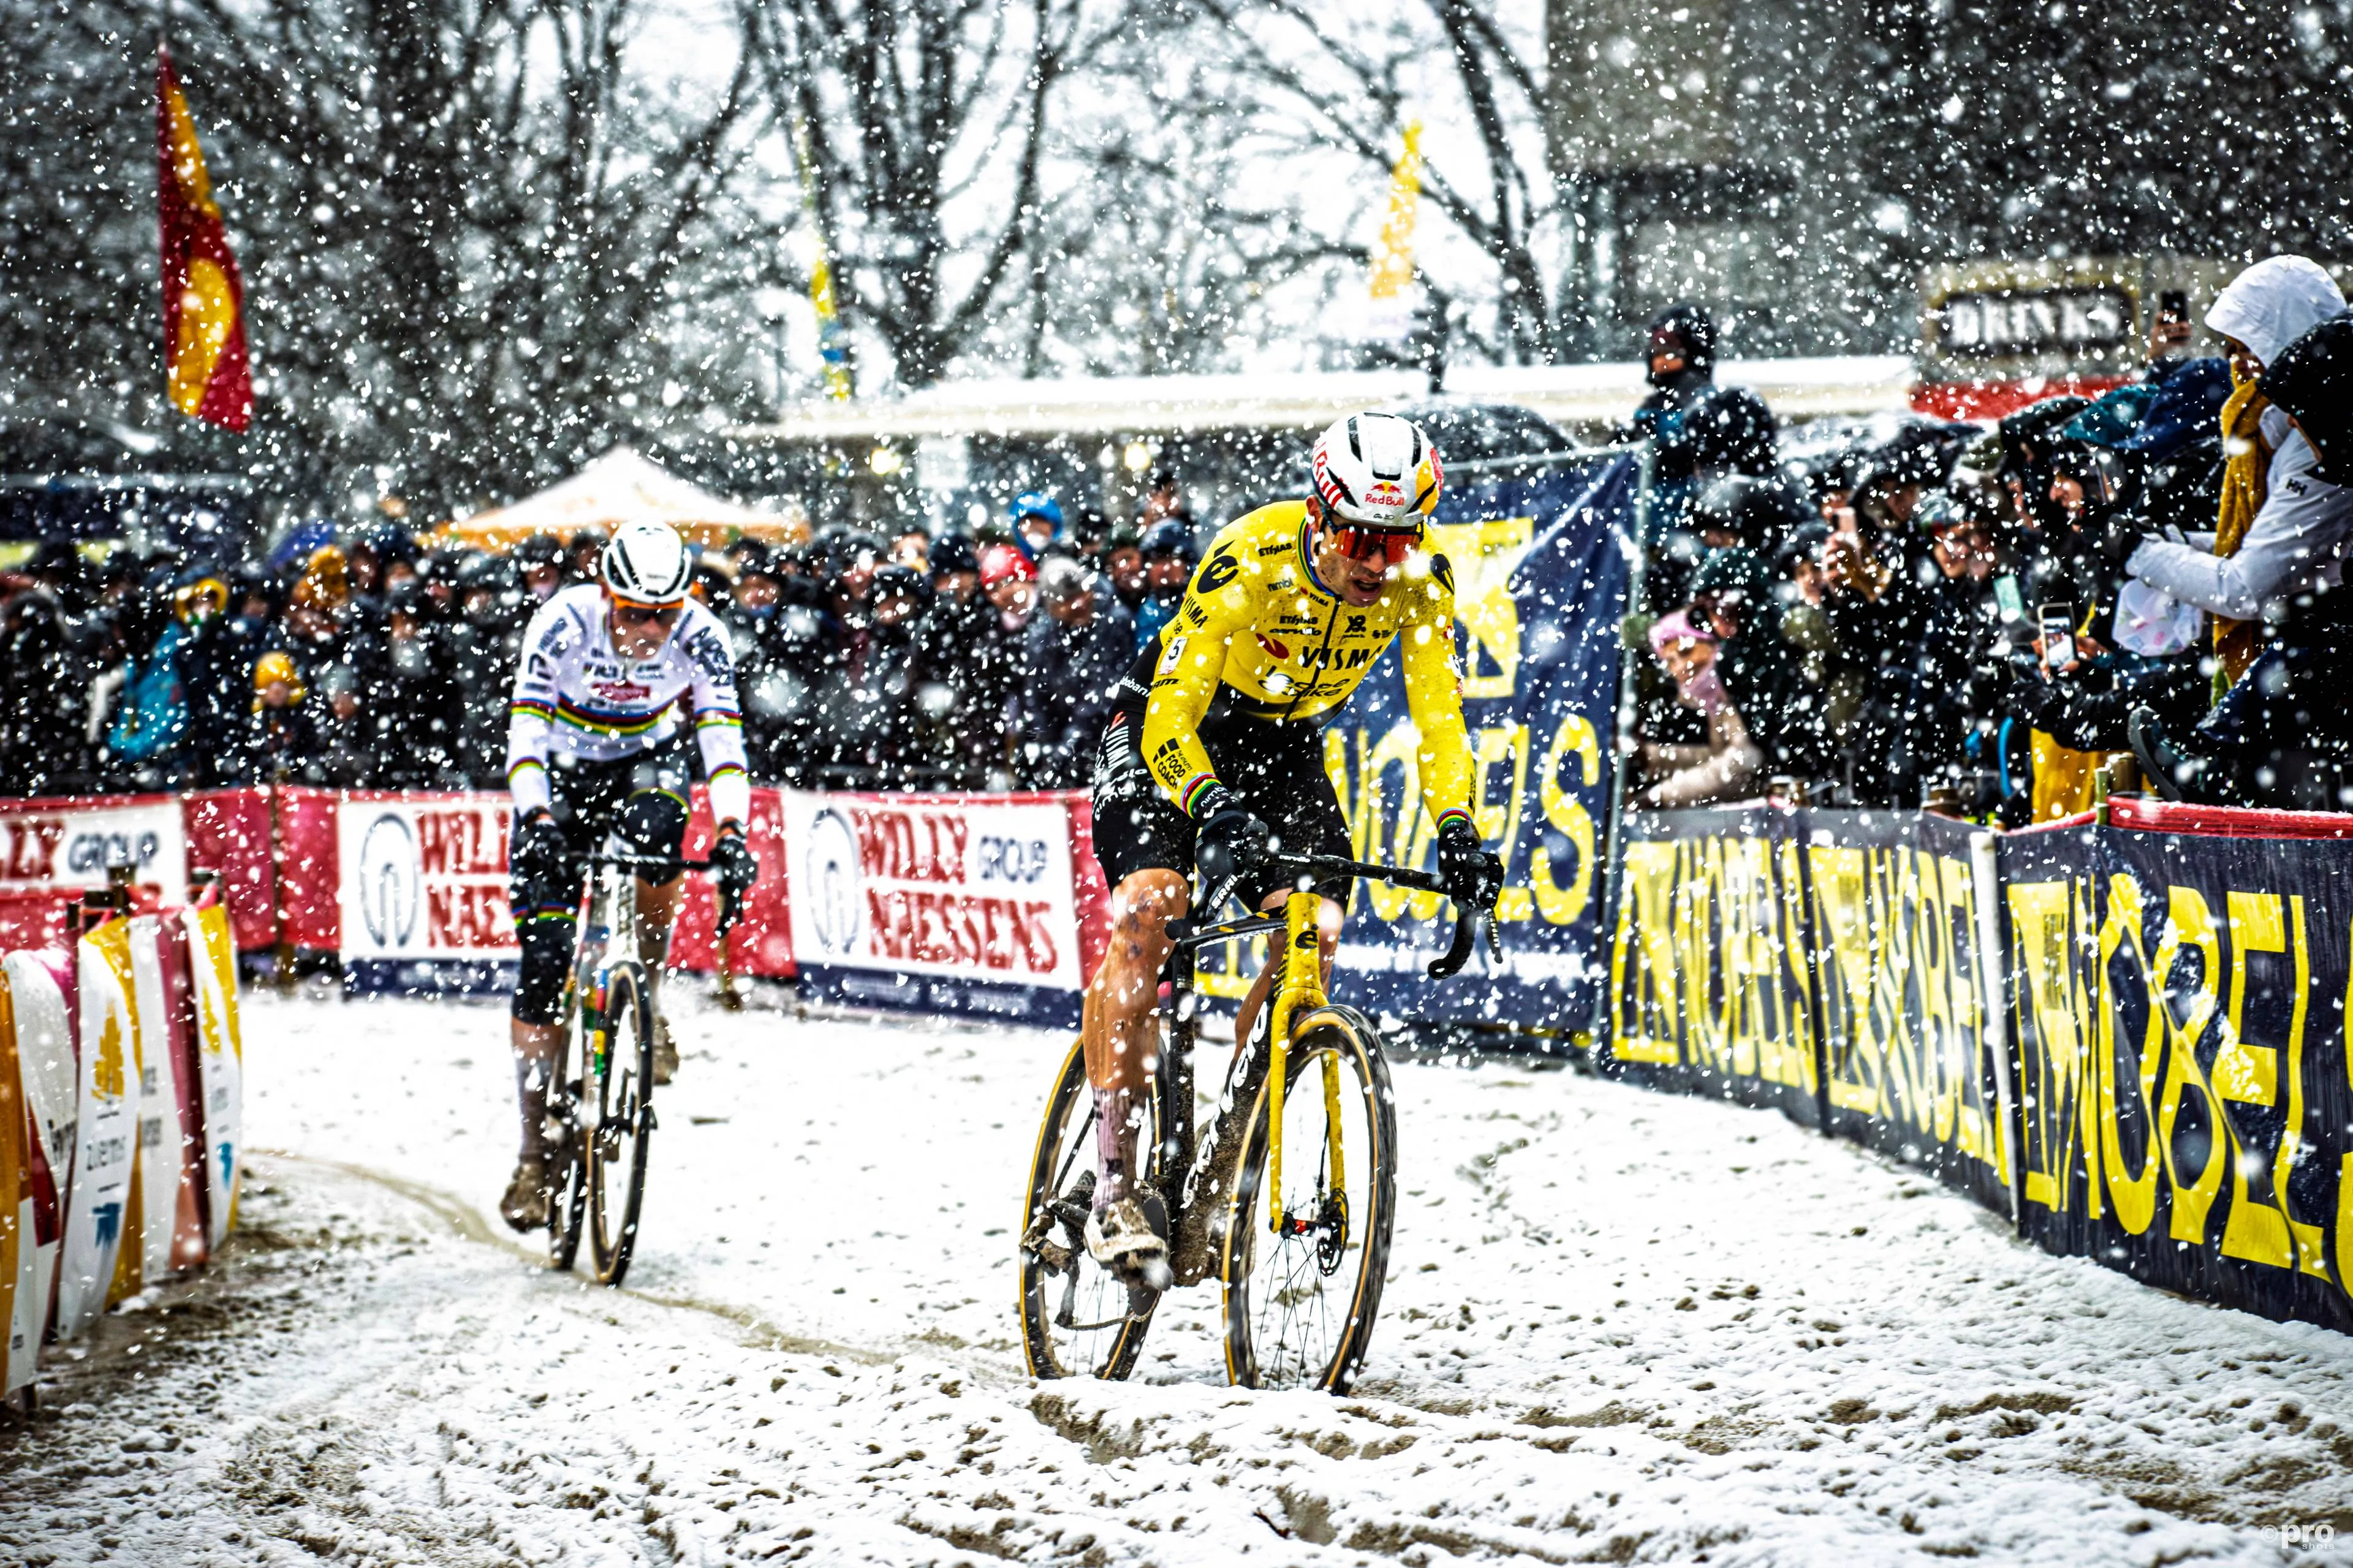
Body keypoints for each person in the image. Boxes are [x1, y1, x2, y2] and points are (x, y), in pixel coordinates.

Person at [1081, 412, 1502, 1284]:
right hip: (1175, 724)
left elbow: (1439, 717)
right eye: (1358, 538)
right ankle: (1112, 1185)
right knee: (1152, 906)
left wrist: (1459, 827)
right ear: (1319, 517)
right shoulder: (1252, 555)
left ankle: (1226, 1158)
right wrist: (1207, 803)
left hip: (1282, 746)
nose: (1374, 565)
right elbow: (1172, 711)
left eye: (1397, 543)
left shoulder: (1421, 581)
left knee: (1318, 928)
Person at [498, 521, 760, 1232]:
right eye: (635, 613)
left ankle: (642, 986)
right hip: (558, 770)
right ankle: (530, 1154)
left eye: (664, 614)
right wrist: (540, 819)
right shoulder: (561, 623)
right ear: (606, 593)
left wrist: (734, 831)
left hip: (644, 759)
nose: (649, 629)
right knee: (545, 962)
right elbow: (523, 731)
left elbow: (721, 736)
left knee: (658, 836)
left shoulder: (701, 634)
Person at [1018, 558, 1134, 789]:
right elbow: (1036, 696)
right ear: (1052, 608)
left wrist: (1070, 743)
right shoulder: (1041, 636)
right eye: (1068, 600)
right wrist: (1045, 743)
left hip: (1109, 738)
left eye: (1082, 594)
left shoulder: (1115, 620)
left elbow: (1104, 690)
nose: (1079, 604)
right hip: (1065, 736)